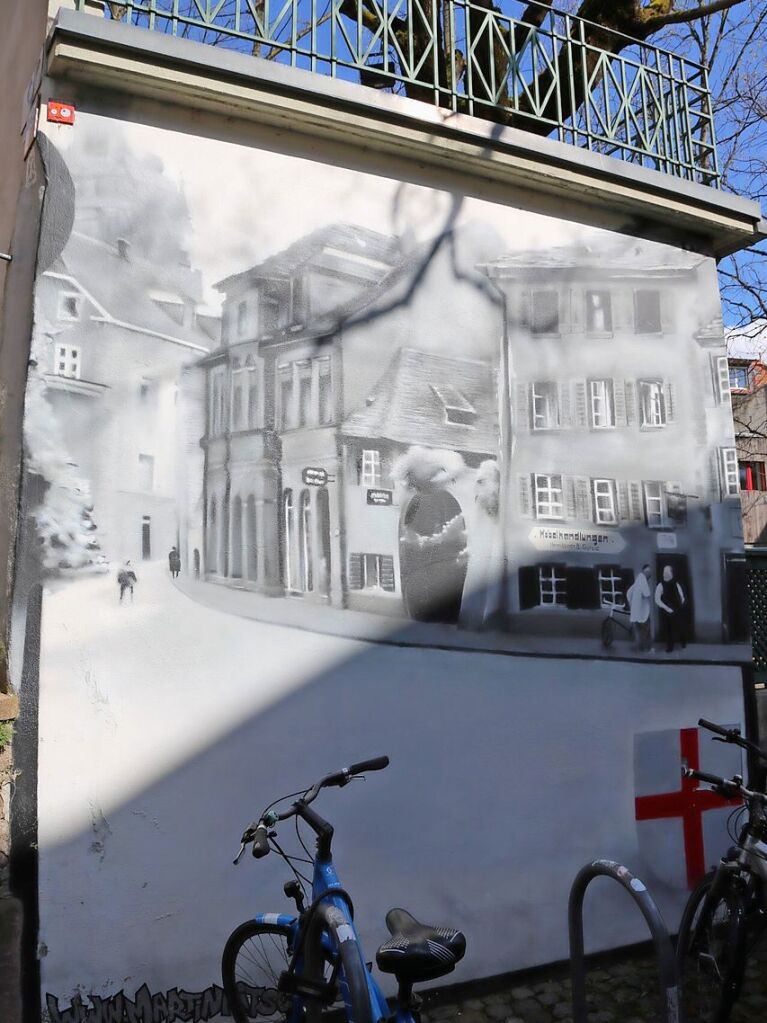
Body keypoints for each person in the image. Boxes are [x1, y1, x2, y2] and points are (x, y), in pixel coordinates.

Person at [459, 460, 504, 631]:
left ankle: (471, 621)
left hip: (481, 546)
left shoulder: (479, 491)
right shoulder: (487, 492)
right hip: (484, 546)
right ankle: (475, 621)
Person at [654, 564, 686, 653]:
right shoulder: (660, 585)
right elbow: (657, 599)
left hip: (677, 609)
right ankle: (670, 647)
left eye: (667, 571)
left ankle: (683, 642)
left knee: (680, 626)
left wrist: (681, 604)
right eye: (665, 572)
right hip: (667, 611)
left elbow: (681, 595)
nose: (666, 573)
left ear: (671, 573)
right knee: (668, 629)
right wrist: (666, 608)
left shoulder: (676, 583)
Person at [626, 564, 652, 652]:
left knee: (637, 630)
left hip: (635, 611)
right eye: (648, 572)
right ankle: (645, 648)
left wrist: (631, 605)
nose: (649, 575)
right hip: (642, 611)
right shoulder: (643, 580)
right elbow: (647, 594)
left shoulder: (637, 580)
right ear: (645, 572)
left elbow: (628, 593)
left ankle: (639, 647)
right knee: (646, 629)